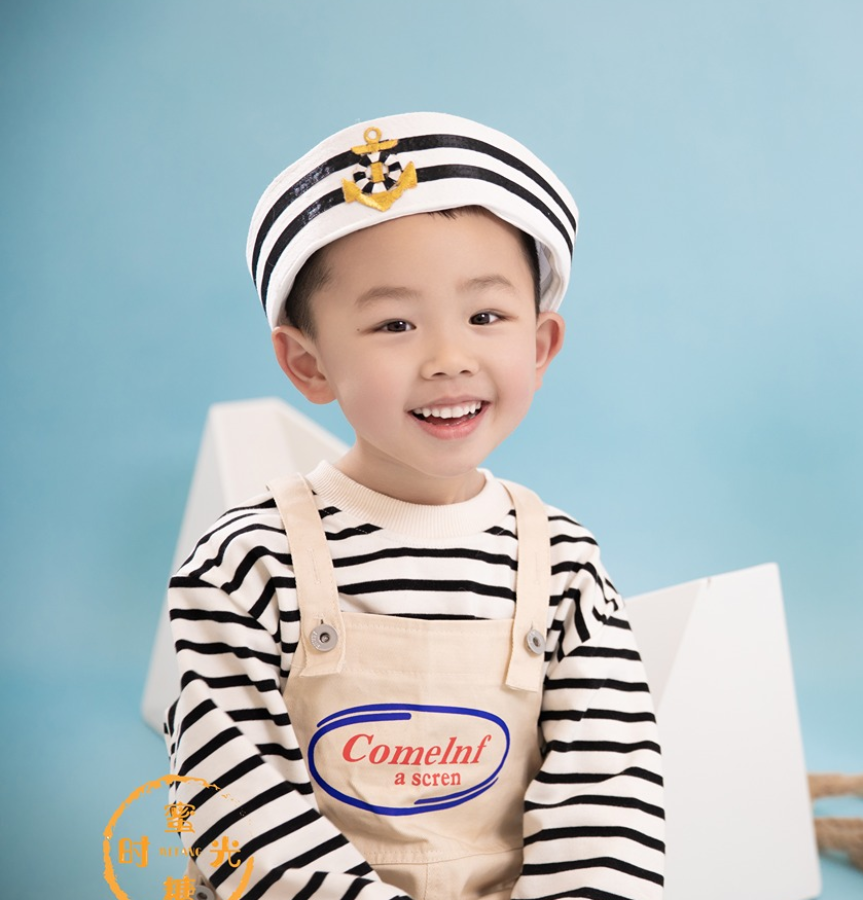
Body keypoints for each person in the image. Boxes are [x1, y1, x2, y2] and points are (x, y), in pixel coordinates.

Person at [165, 112, 664, 900]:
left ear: (540, 345)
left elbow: (606, 791)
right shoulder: (245, 564)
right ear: (308, 363)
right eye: (395, 324)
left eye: (485, 317)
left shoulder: (564, 565)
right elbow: (231, 801)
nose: (448, 359)